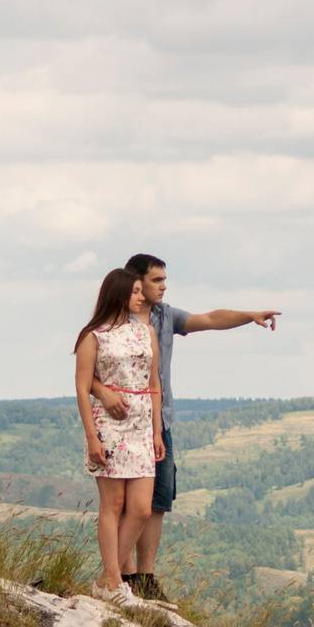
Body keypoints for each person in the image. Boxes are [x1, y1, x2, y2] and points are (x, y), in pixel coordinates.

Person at [106, 253, 279, 602]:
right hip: (124, 425)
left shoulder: (165, 316)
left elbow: (211, 319)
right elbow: (89, 370)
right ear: (136, 281)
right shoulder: (114, 321)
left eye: (164, 280)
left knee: (158, 501)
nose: (163, 286)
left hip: (161, 422)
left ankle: (145, 577)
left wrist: (250, 316)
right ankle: (119, 577)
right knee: (125, 504)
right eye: (157, 280)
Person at [73, 267, 162, 605]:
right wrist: (92, 437)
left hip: (141, 425)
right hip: (107, 426)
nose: (142, 297)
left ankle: (104, 581)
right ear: (120, 293)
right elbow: (82, 388)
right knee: (113, 505)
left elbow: (153, 384)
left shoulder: (146, 332)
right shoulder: (93, 335)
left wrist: (156, 431)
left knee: (140, 508)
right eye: (137, 291)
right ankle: (113, 581)